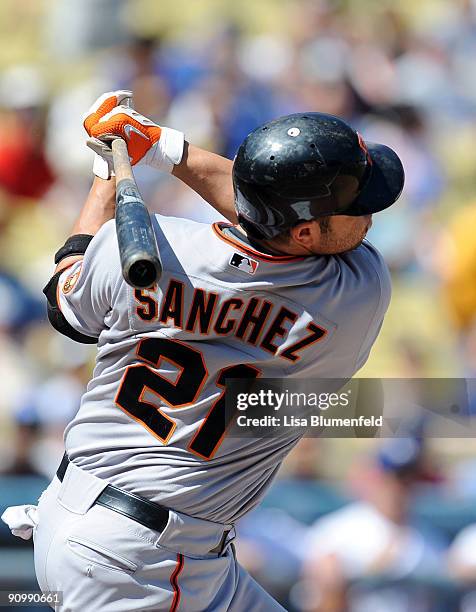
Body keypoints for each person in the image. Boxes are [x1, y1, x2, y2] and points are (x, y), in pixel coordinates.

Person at [2, 90, 404, 611]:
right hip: (143, 558)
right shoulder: (355, 293)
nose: (368, 216)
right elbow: (257, 208)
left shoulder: (155, 248)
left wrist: (110, 169)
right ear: (304, 229)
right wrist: (166, 149)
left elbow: (64, 304)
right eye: (356, 208)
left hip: (101, 523)